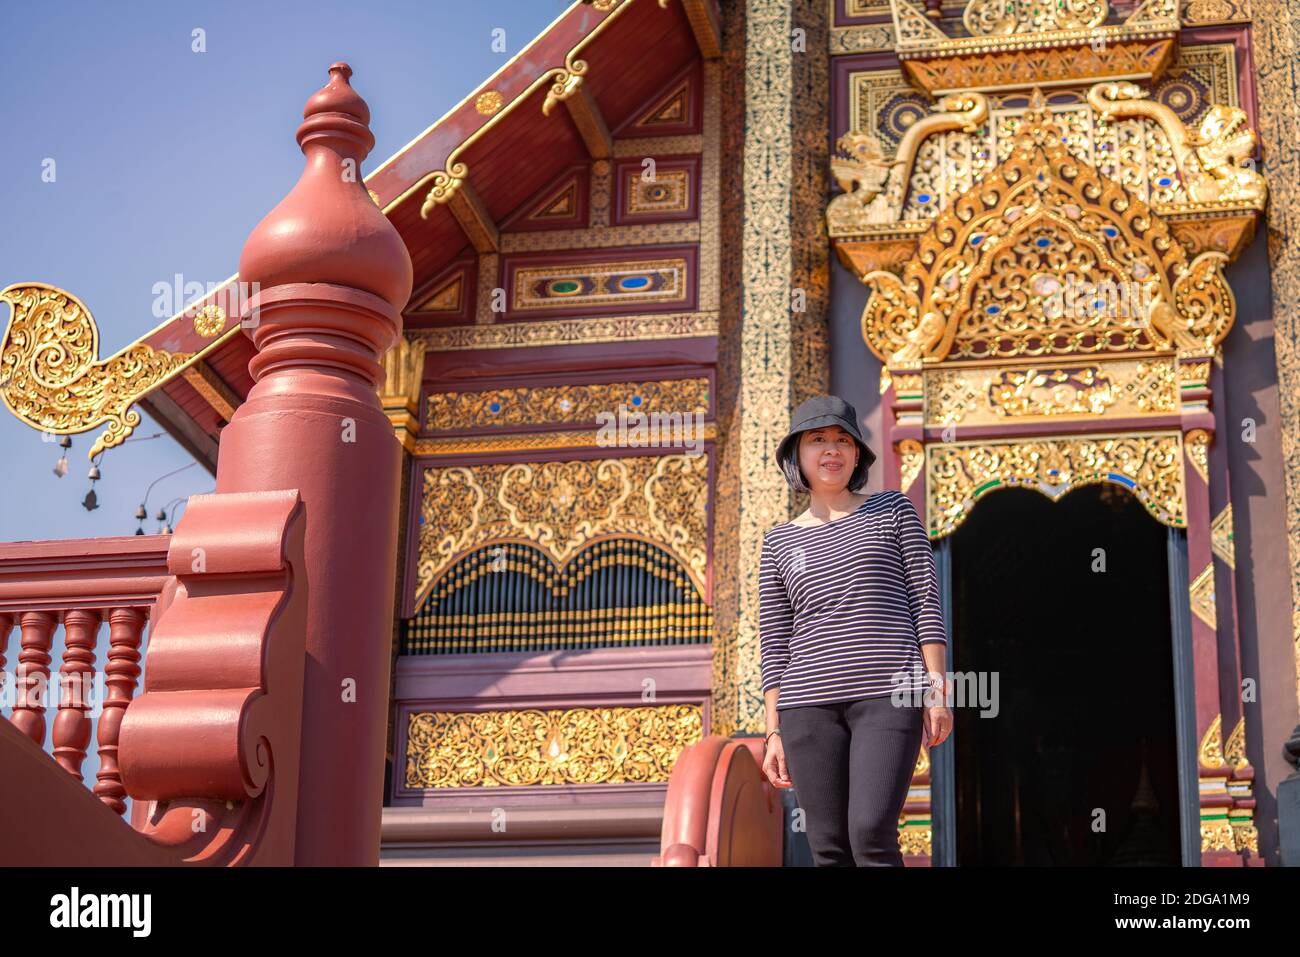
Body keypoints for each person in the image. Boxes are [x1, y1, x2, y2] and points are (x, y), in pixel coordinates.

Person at [759, 394, 953, 866]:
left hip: (888, 694)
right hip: (807, 704)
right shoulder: (777, 541)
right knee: (828, 849)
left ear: (857, 455)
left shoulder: (892, 509)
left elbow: (925, 600)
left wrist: (937, 689)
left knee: (870, 834)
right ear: (797, 456)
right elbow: (774, 641)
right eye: (818, 440)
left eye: (843, 440)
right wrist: (772, 732)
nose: (832, 449)